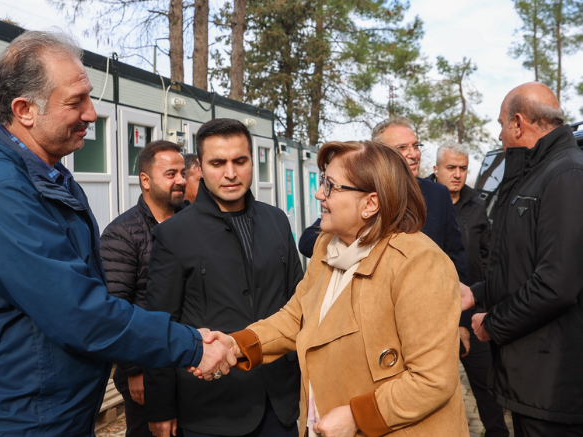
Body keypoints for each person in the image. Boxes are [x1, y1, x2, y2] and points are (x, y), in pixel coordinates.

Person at [0, 30, 234, 437]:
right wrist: (192, 345)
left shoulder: (46, 175)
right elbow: (78, 311)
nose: (91, 113)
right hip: (9, 421)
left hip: (48, 414)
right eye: (76, 101)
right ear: (25, 110)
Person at [213, 140, 468, 437]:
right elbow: (297, 317)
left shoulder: (419, 263)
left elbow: (432, 379)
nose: (319, 194)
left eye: (332, 186)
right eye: (323, 182)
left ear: (370, 203)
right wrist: (238, 344)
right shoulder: (327, 245)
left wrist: (358, 417)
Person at [144, 118, 302, 437]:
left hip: (280, 404)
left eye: (239, 161)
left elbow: (299, 305)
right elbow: (159, 326)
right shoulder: (174, 234)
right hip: (211, 411)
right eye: (218, 163)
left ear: (252, 161)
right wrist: (161, 407)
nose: (230, 173)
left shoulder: (277, 221)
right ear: (200, 167)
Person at [461, 82, 583, 436]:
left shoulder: (567, 174)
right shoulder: (537, 173)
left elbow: (557, 283)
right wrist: (479, 292)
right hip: (533, 382)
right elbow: (525, 264)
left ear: (518, 123)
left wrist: (493, 323)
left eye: (501, 125)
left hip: (554, 387)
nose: (499, 135)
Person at [299, 118, 470, 290]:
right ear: (380, 156)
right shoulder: (361, 193)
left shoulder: (438, 193)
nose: (414, 154)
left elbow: (455, 256)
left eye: (416, 146)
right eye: (402, 148)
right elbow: (308, 240)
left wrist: (461, 302)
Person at [99, 140, 187, 437]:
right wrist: (134, 370)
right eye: (171, 174)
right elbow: (114, 307)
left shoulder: (194, 222)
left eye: (183, 172)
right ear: (146, 180)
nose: (181, 180)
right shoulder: (122, 234)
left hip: (191, 355)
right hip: (147, 363)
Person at [429, 142, 507, 437]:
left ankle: (497, 432)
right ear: (436, 170)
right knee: (433, 388)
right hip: (430, 315)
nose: (458, 174)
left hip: (473, 311)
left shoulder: (478, 204)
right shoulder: (421, 199)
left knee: (486, 386)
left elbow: (489, 260)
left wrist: (484, 305)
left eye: (463, 168)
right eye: (451, 168)